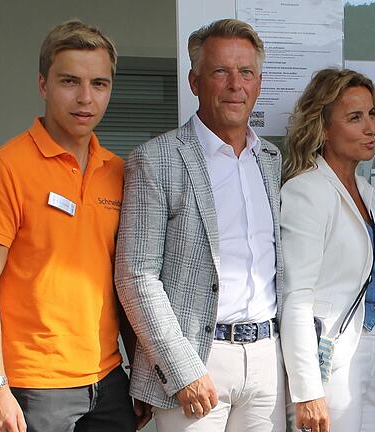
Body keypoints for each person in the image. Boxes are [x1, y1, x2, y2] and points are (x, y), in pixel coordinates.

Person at [0, 20, 149, 432]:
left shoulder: (118, 171)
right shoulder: (6, 168)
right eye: (70, 81)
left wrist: (140, 373)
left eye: (99, 84)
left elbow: (127, 282)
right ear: (43, 85)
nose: (86, 98)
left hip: (108, 382)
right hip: (33, 388)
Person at [114, 19, 286, 432]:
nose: (235, 85)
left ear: (259, 83)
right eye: (220, 72)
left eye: (246, 72)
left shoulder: (271, 160)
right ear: (195, 81)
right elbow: (136, 274)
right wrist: (181, 368)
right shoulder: (156, 159)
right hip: (196, 360)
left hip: (266, 359)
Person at [281, 68, 375, 432]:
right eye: (355, 118)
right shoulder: (305, 192)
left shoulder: (370, 196)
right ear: (324, 129)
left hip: (369, 364)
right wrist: (307, 392)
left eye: (372, 113)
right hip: (326, 368)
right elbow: (296, 298)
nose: (371, 127)